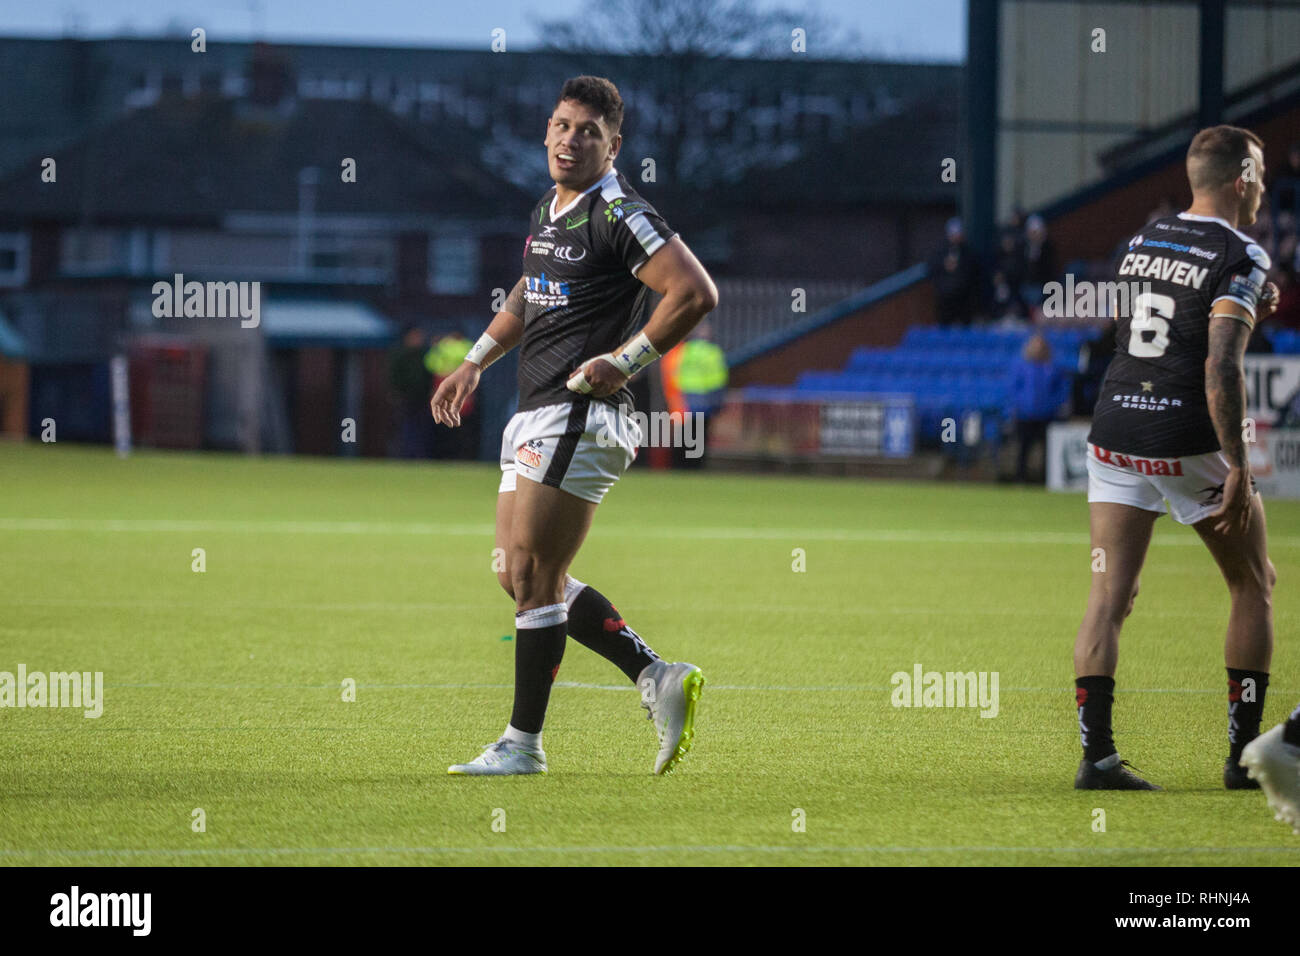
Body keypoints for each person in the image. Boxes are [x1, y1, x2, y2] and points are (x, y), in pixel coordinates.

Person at [430, 76, 719, 776]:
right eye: (561, 125)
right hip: (536, 408)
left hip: (582, 413)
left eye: (587, 131)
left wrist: (626, 360)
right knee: (517, 573)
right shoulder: (551, 208)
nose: (569, 139)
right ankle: (656, 675)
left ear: (613, 145)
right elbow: (533, 291)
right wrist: (475, 360)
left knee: (534, 572)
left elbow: (694, 292)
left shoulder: (618, 211)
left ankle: (521, 746)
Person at [1073, 124, 1285, 791]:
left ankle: (1097, 761)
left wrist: (1252, 306)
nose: (1266, 188)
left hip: (1114, 432)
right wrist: (1240, 467)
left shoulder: (1141, 241)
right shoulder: (1242, 253)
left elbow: (1150, 326)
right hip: (1186, 437)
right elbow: (1218, 363)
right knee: (1254, 584)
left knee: (1110, 594)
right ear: (1242, 177)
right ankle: (1244, 761)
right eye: (1262, 175)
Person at [1008, 333, 1068, 482]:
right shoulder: (1021, 367)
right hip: (1025, 415)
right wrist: (1021, 404)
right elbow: (1013, 389)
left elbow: (1061, 391)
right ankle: (1020, 478)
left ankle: (1045, 479)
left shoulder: (1053, 368)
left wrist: (1052, 405)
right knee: (1023, 449)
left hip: (1047, 415)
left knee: (1047, 451)